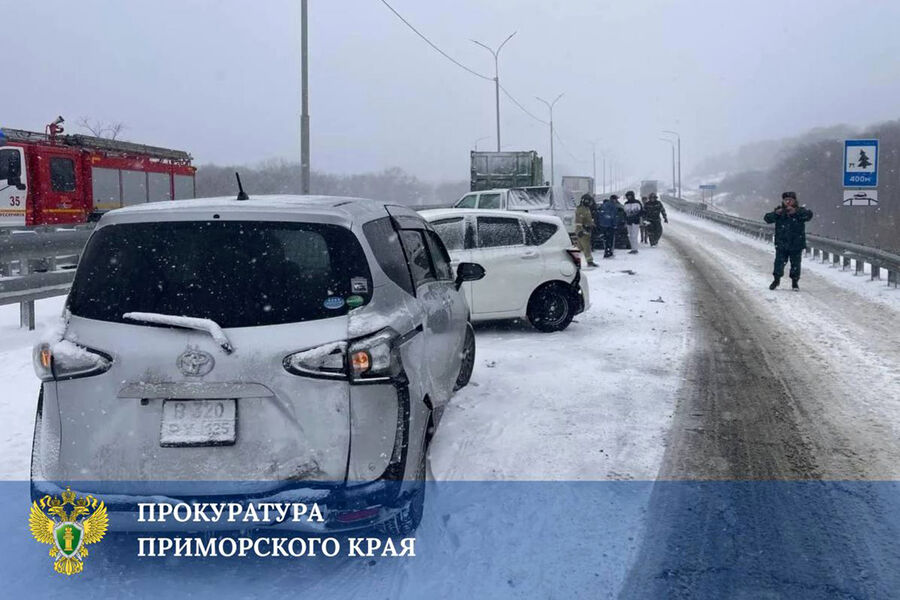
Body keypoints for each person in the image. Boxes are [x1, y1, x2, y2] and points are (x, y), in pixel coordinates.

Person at [764, 191, 814, 291]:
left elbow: (809, 215)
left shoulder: (800, 211)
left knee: (795, 264)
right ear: (783, 201)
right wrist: (776, 213)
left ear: (794, 201)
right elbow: (767, 218)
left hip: (796, 243)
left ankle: (795, 282)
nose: (788, 202)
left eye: (790, 200)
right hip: (781, 243)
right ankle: (776, 280)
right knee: (779, 263)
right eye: (786, 200)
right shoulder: (779, 211)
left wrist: (796, 212)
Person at [574, 193, 598, 267]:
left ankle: (573, 260)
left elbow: (589, 219)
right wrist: (580, 230)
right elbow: (578, 221)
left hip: (587, 230)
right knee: (586, 247)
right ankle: (589, 261)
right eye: (590, 201)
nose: (591, 203)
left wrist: (593, 226)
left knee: (579, 247)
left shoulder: (587, 209)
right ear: (586, 201)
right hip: (583, 231)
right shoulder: (581, 209)